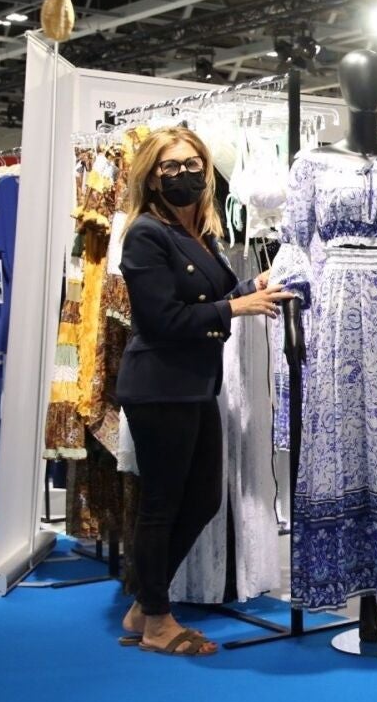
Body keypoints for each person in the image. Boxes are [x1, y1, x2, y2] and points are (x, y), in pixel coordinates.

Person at [114, 127, 293, 656]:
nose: (184, 175)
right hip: (159, 385)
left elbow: (208, 294)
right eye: (170, 167)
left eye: (193, 164)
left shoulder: (198, 233)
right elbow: (161, 319)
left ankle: (145, 602)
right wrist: (234, 308)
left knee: (203, 499)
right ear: (152, 177)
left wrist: (248, 288)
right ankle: (157, 622)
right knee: (162, 504)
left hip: (195, 384)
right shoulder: (145, 234)